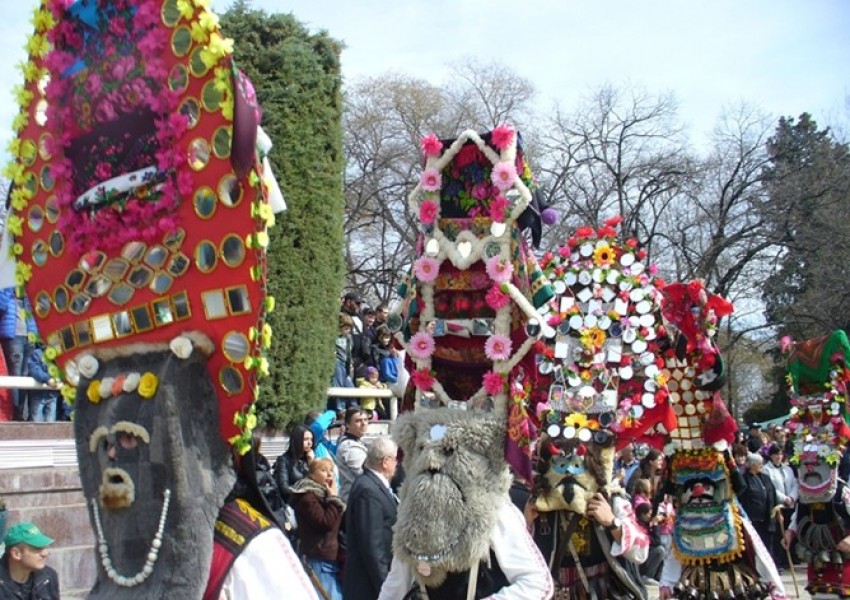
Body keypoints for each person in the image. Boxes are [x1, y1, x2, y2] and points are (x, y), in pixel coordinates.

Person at [343, 437, 399, 600]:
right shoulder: (368, 490)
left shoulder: (374, 485)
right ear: (385, 462)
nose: (397, 464)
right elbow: (372, 546)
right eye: (395, 459)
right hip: (367, 587)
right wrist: (387, 589)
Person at [291, 458, 345, 600]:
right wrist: (333, 499)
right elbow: (325, 522)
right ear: (312, 474)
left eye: (331, 471)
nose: (329, 475)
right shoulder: (307, 497)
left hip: (329, 558)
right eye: (323, 470)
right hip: (318, 557)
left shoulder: (323, 494)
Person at [0, 288, 36, 421]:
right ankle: (16, 413)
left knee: (26, 374)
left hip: (29, 336)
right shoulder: (6, 289)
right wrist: (10, 289)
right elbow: (1, 306)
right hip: (13, 336)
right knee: (15, 374)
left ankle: (22, 411)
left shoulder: (28, 292)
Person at [0, 521, 60, 600]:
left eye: (45, 547)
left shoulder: (48, 577)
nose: (45, 553)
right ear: (16, 554)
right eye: (37, 548)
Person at [762, 443, 797, 570]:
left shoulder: (788, 469)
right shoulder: (766, 470)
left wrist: (792, 497)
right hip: (778, 505)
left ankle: (790, 559)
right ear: (771, 456)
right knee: (778, 534)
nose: (778, 456)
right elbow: (771, 488)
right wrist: (784, 498)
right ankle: (779, 561)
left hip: (790, 504)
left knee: (789, 530)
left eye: (780, 454)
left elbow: (794, 484)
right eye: (776, 454)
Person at [738, 453, 778, 550]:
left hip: (767, 519)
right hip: (753, 520)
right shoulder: (744, 479)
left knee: (768, 546)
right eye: (759, 463)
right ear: (752, 465)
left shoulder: (765, 478)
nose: (761, 466)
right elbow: (741, 499)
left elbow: (773, 494)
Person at [274, 424, 315, 505]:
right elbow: (284, 488)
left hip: (310, 503)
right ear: (297, 440)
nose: (309, 443)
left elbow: (317, 483)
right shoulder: (284, 460)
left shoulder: (310, 458)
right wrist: (303, 491)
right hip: (292, 504)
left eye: (311, 439)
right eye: (306, 439)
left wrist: (312, 463)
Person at [336, 408, 369, 503]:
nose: (363, 423)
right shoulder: (349, 447)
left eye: (365, 420)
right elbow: (365, 473)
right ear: (347, 424)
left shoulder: (358, 442)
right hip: (355, 500)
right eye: (358, 421)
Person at [25, 345, 61, 423]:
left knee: (51, 422)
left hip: (52, 394)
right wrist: (47, 379)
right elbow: (34, 369)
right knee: (36, 422)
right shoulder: (36, 354)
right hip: (37, 395)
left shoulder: (59, 354)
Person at [635, 503, 663, 585]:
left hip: (645, 555)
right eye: (649, 514)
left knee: (662, 550)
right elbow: (657, 541)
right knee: (660, 550)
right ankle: (646, 577)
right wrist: (655, 524)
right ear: (642, 515)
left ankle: (657, 578)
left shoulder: (645, 525)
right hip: (640, 560)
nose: (651, 516)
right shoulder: (639, 525)